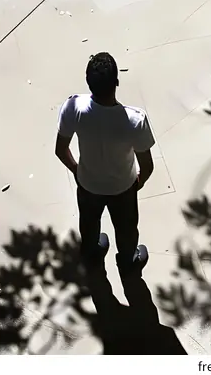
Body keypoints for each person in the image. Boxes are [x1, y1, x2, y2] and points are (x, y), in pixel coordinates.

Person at [55, 52, 155, 276]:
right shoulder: (135, 121)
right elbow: (147, 166)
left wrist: (77, 170)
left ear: (88, 82)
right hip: (123, 188)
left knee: (89, 225)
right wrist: (138, 182)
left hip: (88, 184)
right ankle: (129, 260)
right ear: (117, 82)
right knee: (127, 229)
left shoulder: (73, 108)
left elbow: (61, 150)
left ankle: (92, 253)